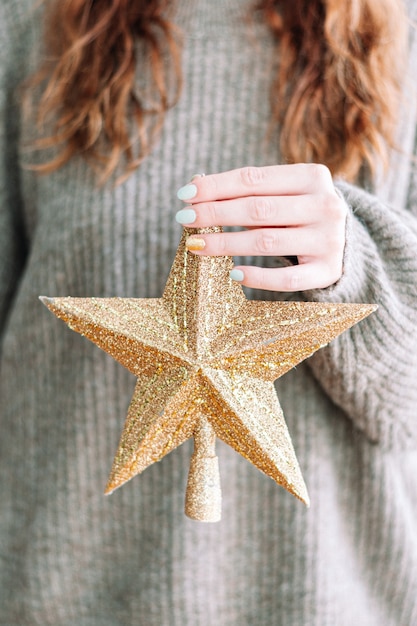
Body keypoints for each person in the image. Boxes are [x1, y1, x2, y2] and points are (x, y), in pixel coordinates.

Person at [1, 0, 417, 624]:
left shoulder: (400, 35)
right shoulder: (29, 27)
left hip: (324, 597)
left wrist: (351, 266)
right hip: (70, 595)